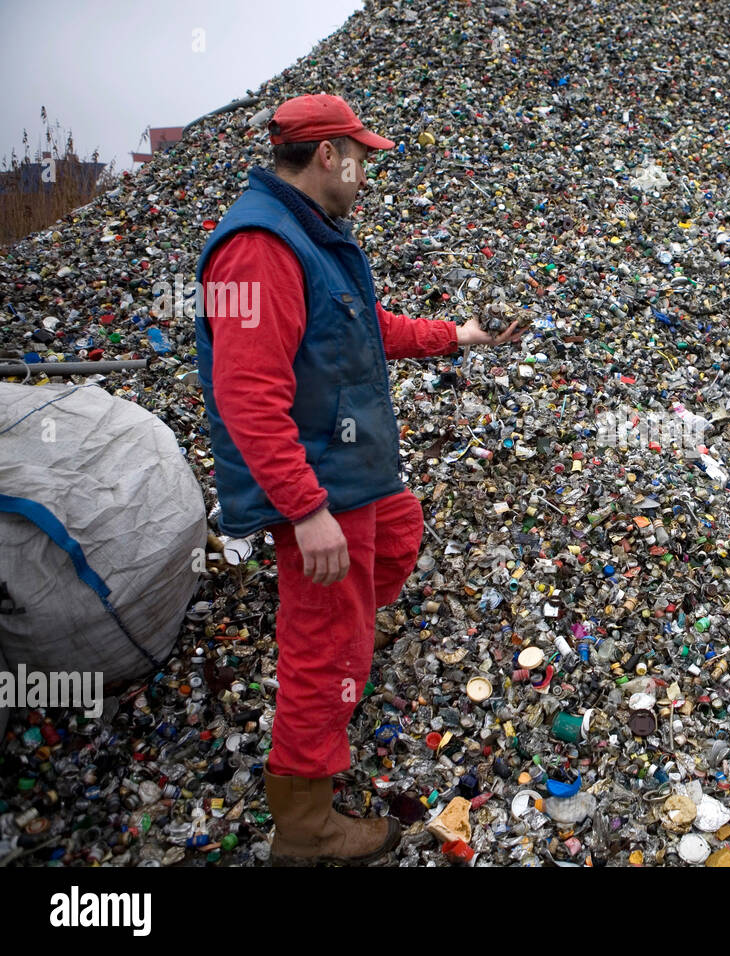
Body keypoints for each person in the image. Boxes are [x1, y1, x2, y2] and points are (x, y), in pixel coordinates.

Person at [194, 94, 521, 866]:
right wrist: (304, 510)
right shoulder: (259, 249)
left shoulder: (311, 241)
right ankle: (305, 822)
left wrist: (457, 337)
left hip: (357, 475)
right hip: (319, 487)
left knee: (399, 537)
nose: (365, 171)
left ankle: (343, 649)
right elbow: (246, 394)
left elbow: (361, 327)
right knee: (323, 638)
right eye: (360, 156)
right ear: (326, 155)